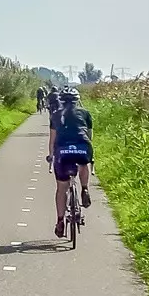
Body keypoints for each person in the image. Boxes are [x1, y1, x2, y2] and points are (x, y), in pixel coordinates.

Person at [50, 85, 94, 237]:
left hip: (62, 152)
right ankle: (85, 189)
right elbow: (89, 136)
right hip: (83, 147)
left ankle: (60, 221)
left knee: (61, 188)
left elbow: (52, 139)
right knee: (84, 163)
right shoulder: (85, 113)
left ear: (61, 101)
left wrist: (51, 155)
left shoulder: (55, 115)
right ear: (77, 100)